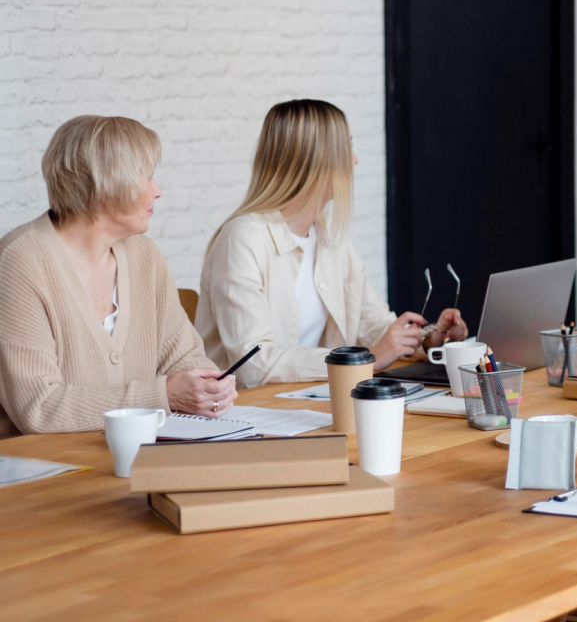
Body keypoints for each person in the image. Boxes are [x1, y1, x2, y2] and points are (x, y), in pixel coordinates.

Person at [197, 99, 467, 388]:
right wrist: (366, 360)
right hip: (248, 414)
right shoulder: (242, 239)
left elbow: (373, 326)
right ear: (315, 160)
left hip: (309, 402)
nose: (355, 160)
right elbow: (253, 363)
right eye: (347, 148)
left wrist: (431, 336)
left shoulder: (330, 238)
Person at [0, 116, 237, 438]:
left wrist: (205, 386)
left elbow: (183, 355)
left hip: (140, 455)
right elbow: (39, 408)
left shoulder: (143, 255)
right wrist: (164, 395)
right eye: (148, 177)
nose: (158, 191)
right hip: (48, 471)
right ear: (107, 184)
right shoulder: (18, 262)